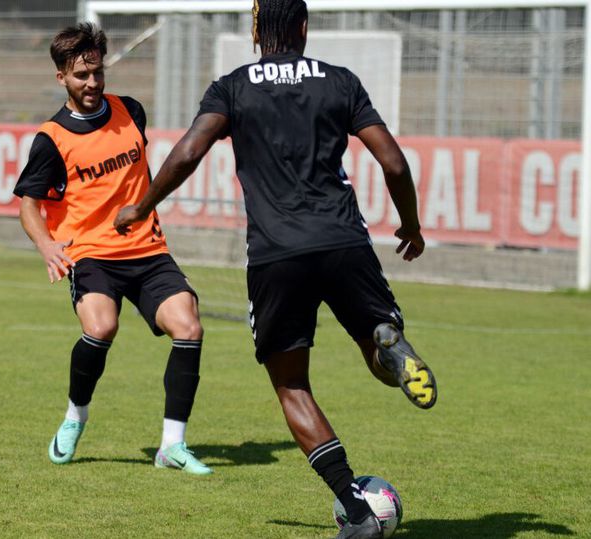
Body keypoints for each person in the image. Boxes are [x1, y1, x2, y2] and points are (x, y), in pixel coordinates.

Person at [114, 1, 437, 536]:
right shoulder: (340, 81)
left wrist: (143, 206)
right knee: (376, 353)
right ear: (305, 27)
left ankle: (355, 510)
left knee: (292, 385)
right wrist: (411, 225)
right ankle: (386, 342)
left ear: (255, 28)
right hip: (344, 242)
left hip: (276, 254)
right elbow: (394, 162)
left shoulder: (233, 87)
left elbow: (190, 152)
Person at [13, 23, 212, 475]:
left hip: (148, 250)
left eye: (97, 72)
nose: (92, 83)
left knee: (189, 327)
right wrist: (46, 245)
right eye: (81, 75)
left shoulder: (131, 111)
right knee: (101, 328)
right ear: (61, 77)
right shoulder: (51, 139)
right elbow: (28, 206)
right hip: (91, 255)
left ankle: (172, 446)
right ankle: (75, 415)